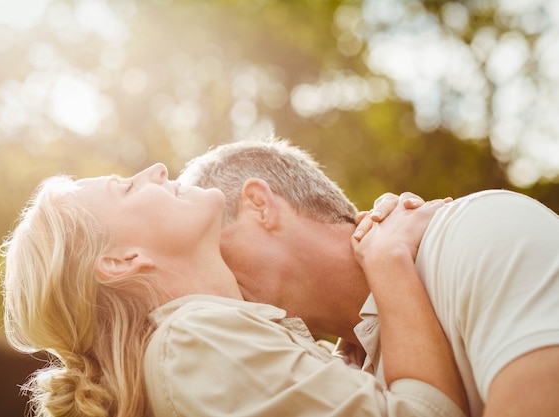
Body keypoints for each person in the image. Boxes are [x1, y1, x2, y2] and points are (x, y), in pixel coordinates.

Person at [0, 162, 467, 417]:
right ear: (121, 261)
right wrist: (388, 262)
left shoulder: (206, 344)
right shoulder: (196, 342)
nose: (158, 169)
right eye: (127, 188)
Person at [178, 136, 559, 417]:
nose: (206, 280)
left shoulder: (481, 233)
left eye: (208, 246)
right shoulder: (345, 388)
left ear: (260, 205)